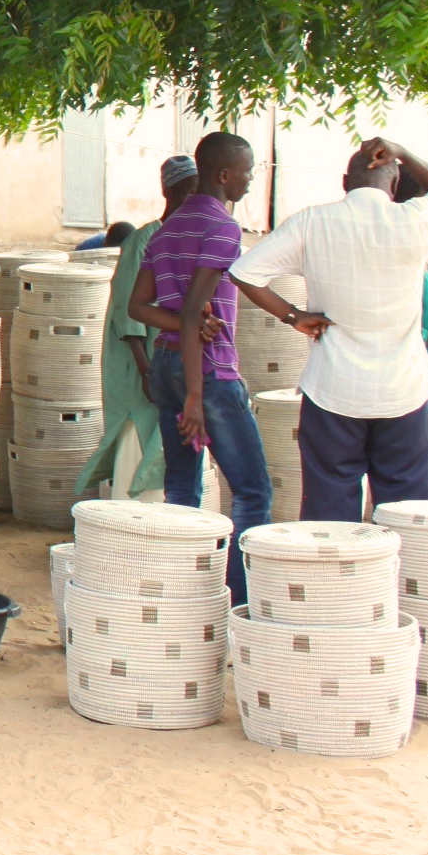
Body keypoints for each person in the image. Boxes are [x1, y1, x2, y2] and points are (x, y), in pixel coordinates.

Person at [220, 137, 428, 522]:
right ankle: (395, 583)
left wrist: (292, 316)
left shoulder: (312, 222)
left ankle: (334, 582)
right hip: (404, 392)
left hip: (332, 389)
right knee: (406, 516)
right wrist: (402, 151)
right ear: (395, 186)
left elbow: (243, 273)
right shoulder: (416, 219)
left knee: (330, 518)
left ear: (345, 181)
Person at [131, 132, 275, 595]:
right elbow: (195, 310)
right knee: (252, 491)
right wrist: (195, 396)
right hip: (208, 373)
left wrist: (179, 322)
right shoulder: (223, 228)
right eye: (249, 172)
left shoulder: (167, 229)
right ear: (224, 174)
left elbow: (140, 307)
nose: (252, 182)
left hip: (168, 364)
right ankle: (237, 599)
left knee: (182, 489)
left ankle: (183, 588)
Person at [94, 156, 200, 501]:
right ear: (168, 191)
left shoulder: (190, 239)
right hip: (141, 363)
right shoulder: (143, 240)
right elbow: (129, 313)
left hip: (174, 364)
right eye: (189, 191)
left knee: (170, 447)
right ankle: (129, 532)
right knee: (138, 441)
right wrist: (146, 370)